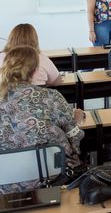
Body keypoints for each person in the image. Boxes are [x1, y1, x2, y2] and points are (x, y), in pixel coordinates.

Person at [0, 46, 85, 193]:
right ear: (34, 71)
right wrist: (77, 121)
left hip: (6, 185)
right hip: (55, 178)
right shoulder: (52, 97)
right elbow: (75, 140)